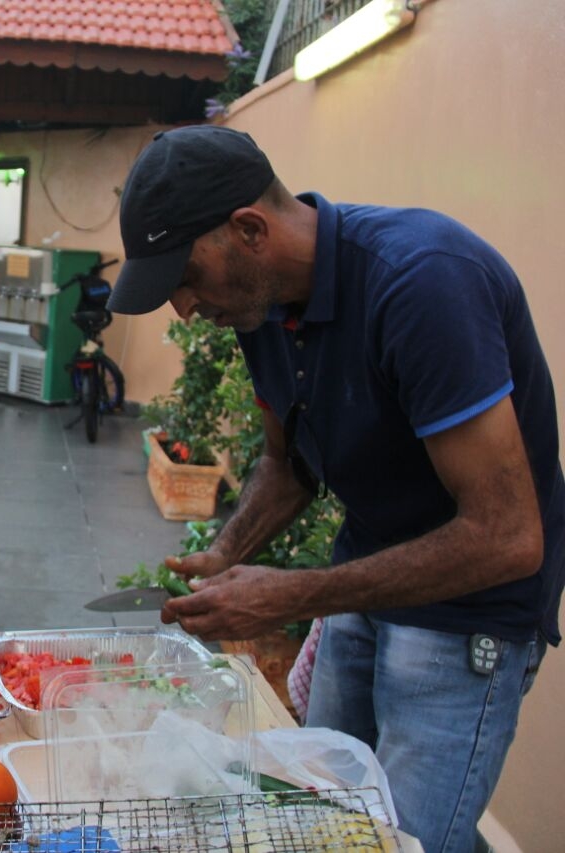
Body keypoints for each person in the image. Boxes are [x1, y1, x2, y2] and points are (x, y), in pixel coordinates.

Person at [108, 125, 564, 853]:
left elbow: (510, 536)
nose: (185, 310)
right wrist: (227, 552)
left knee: (406, 838)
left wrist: (293, 593)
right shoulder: (260, 307)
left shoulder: (421, 281)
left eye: (185, 279)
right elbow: (287, 465)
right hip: (365, 584)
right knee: (316, 817)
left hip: (469, 613)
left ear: (249, 229)